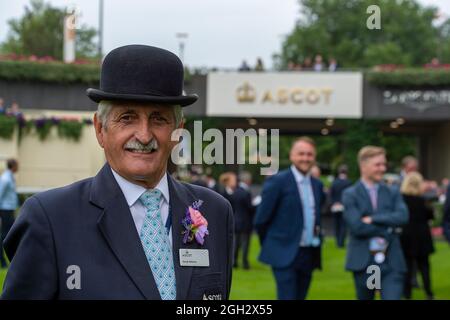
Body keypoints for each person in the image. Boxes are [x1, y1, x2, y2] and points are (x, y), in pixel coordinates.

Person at [2, 45, 234, 300]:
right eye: (127, 118)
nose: (144, 135)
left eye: (159, 119)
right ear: (100, 129)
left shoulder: (215, 212)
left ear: (178, 131)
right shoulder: (49, 219)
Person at [254, 137, 325, 300]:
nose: (305, 158)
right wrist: (273, 245)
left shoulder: (317, 185)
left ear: (314, 157)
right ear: (292, 156)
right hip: (284, 252)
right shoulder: (277, 181)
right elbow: (261, 220)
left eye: (309, 154)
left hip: (309, 253)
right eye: (301, 154)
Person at [343, 146, 408, 300]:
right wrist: (388, 230)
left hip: (391, 260)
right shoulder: (350, 194)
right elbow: (357, 226)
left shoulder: (392, 191)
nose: (382, 168)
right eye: (377, 165)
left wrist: (373, 219)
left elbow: (403, 216)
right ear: (363, 166)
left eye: (383, 164)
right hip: (364, 262)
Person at [399, 172, 434, 300]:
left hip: (407, 235)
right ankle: (429, 293)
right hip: (422, 235)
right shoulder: (423, 200)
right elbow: (430, 216)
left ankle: (407, 294)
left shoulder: (402, 200)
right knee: (424, 266)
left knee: (407, 266)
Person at [232, 171, 255, 269]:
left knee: (236, 243)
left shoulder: (235, 191)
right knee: (245, 243)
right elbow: (249, 208)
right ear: (247, 180)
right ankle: (245, 263)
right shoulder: (246, 193)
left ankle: (234, 261)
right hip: (245, 222)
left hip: (236, 221)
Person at [0, 159, 19, 269]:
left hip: (9, 209)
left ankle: (8, 259)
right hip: (5, 209)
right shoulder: (6, 179)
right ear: (13, 166)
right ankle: (2, 260)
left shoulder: (10, 177)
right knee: (4, 234)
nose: (18, 167)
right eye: (17, 165)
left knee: (9, 233)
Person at [329, 164, 352, 248]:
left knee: (336, 225)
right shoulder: (348, 182)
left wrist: (334, 202)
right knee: (343, 225)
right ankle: (341, 243)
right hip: (344, 206)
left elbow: (331, 194)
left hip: (335, 206)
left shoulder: (334, 182)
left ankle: (337, 241)